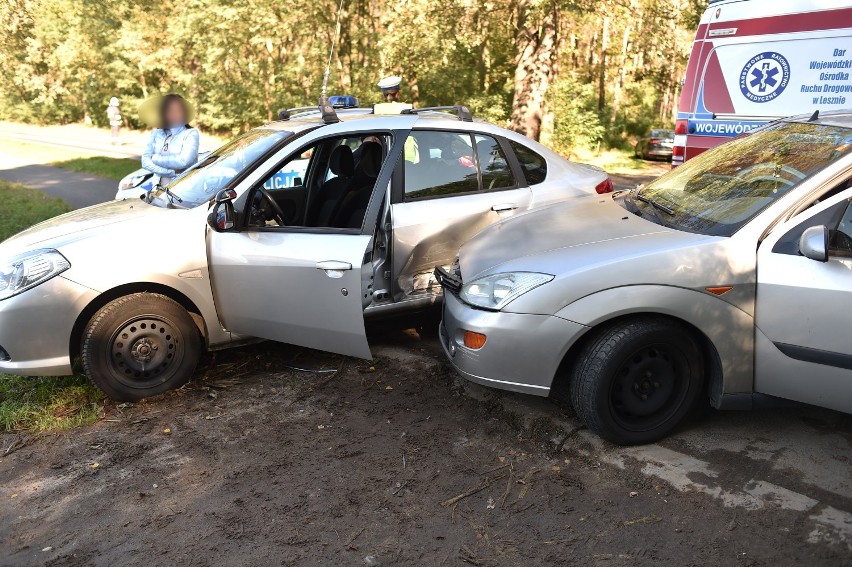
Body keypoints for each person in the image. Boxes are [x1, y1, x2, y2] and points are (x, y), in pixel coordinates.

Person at [141, 94, 200, 187]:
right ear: (164, 113)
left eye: (178, 110)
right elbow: (145, 162)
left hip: (182, 190)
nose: (175, 114)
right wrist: (171, 172)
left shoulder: (191, 133)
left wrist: (155, 158)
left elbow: (184, 161)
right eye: (170, 110)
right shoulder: (156, 133)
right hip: (157, 189)